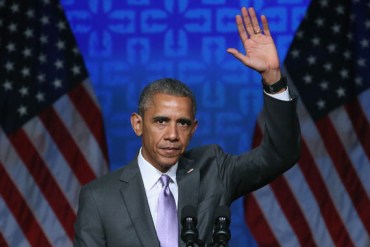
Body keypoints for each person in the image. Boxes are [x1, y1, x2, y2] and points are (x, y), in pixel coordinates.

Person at [73, 6, 301, 247]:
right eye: (161, 121)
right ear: (137, 124)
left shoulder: (213, 171)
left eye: (182, 123)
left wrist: (273, 77)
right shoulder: (99, 198)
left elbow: (281, 154)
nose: (172, 135)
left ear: (194, 129)